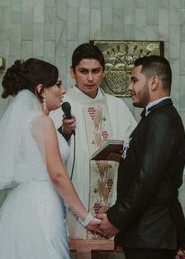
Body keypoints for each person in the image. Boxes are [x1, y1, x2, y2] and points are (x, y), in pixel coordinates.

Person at [0, 58, 100, 259]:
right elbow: (58, 175)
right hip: (41, 205)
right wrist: (85, 217)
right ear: (41, 89)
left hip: (24, 203)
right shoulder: (42, 122)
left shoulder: (28, 120)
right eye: (58, 85)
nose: (63, 91)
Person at [96, 55, 185, 259]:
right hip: (148, 232)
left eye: (134, 80)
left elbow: (147, 179)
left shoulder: (161, 119)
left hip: (151, 232)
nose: (129, 87)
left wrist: (116, 219)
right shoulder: (154, 117)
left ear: (153, 82)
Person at [50, 43, 136, 242]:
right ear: (72, 72)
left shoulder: (117, 107)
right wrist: (64, 132)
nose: (90, 78)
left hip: (112, 196)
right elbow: (47, 152)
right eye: (83, 71)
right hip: (75, 194)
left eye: (96, 71)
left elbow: (134, 147)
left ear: (104, 72)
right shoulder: (59, 106)